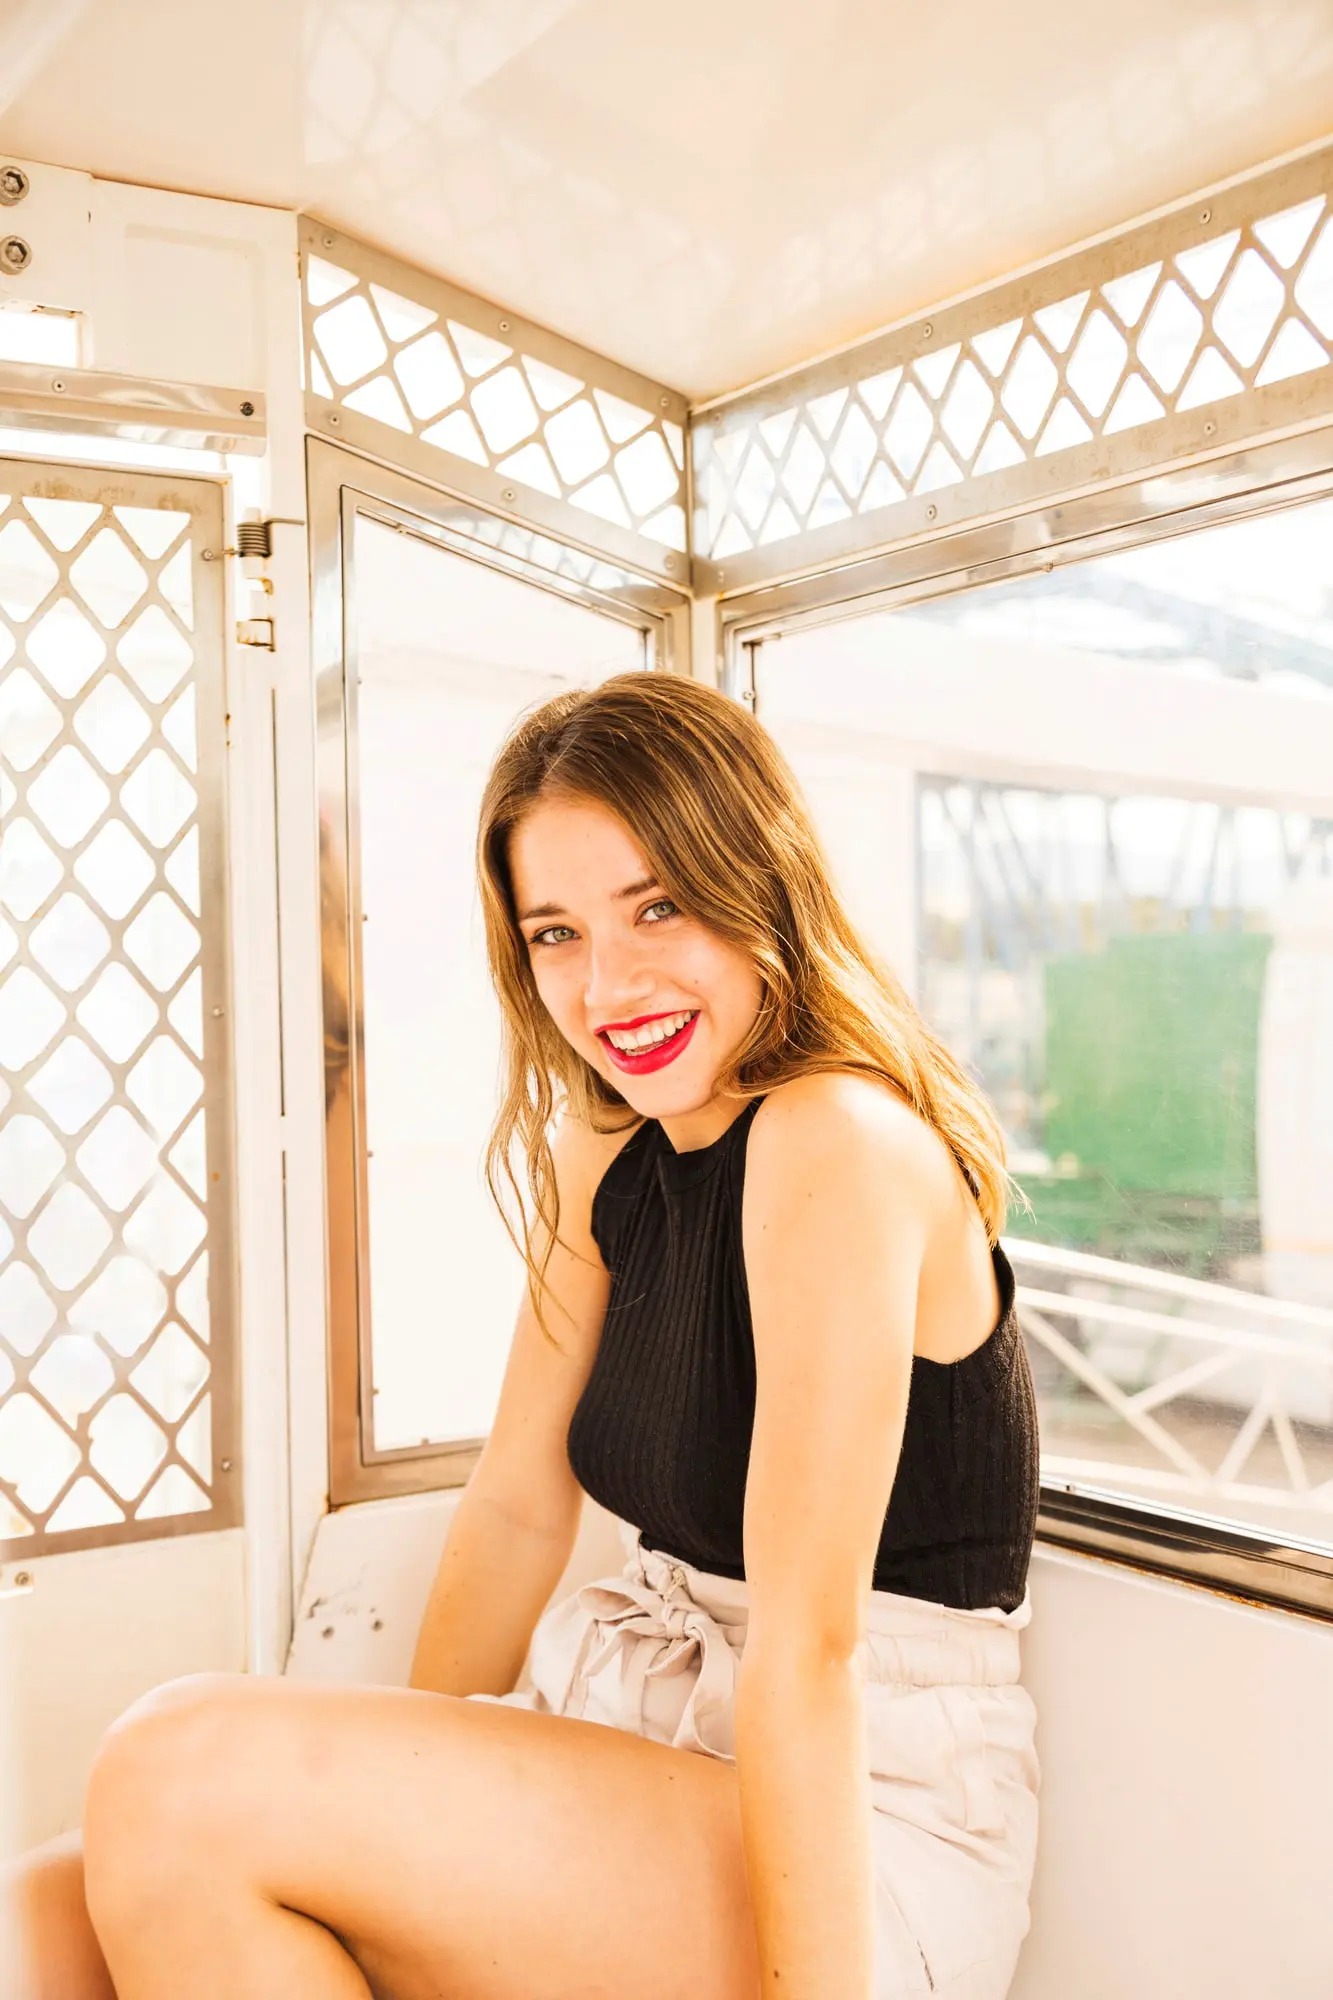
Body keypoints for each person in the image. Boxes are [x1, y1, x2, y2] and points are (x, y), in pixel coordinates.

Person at [3, 671, 1039, 2000]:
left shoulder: (835, 1141)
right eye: (555, 934)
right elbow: (510, 1509)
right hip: (634, 1756)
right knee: (41, 1920)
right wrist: (415, 1796)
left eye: (657, 906)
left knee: (177, 1770)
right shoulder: (602, 1145)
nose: (609, 984)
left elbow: (810, 1649)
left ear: (757, 884)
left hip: (863, 1826)